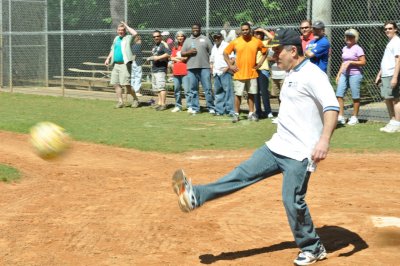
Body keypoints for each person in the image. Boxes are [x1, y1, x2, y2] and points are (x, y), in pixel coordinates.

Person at [172, 28, 339, 266]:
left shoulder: (313, 75)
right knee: (241, 174)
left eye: (279, 51)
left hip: (300, 153)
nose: (275, 55)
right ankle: (197, 195)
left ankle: (313, 247)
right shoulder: (291, 72)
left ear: (293, 50)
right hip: (277, 146)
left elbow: (331, 107)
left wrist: (324, 141)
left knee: (292, 200)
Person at [223, 22, 267, 123]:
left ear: (250, 30)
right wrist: (230, 66)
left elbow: (265, 52)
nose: (245, 31)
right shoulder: (236, 42)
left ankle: (251, 113)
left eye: (247, 29)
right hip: (239, 73)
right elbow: (225, 53)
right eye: (243, 30)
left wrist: (259, 64)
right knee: (238, 95)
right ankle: (236, 114)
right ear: (241, 31)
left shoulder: (256, 41)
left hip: (252, 73)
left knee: (251, 94)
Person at [181, 23, 215, 115]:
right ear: (191, 29)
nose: (195, 30)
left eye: (197, 28)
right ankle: (196, 108)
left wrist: (212, 64)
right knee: (193, 89)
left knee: (207, 89)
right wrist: (189, 52)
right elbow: (182, 53)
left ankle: (211, 107)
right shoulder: (187, 40)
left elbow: (212, 52)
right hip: (191, 68)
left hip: (205, 67)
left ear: (200, 29)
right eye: (193, 28)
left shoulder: (205, 39)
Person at [105, 21, 140, 108]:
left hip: (125, 64)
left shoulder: (128, 37)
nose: (120, 31)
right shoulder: (116, 39)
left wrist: (127, 26)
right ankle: (120, 102)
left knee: (127, 85)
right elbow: (112, 50)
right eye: (119, 30)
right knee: (115, 83)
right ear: (117, 31)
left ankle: (135, 99)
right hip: (116, 65)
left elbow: (135, 33)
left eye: (122, 30)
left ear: (125, 31)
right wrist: (108, 58)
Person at [335, 29, 366, 126]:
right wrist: (339, 73)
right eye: (347, 36)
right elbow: (343, 62)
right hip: (344, 74)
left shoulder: (358, 48)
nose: (348, 38)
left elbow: (363, 62)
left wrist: (351, 62)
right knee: (339, 94)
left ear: (355, 38)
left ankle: (354, 117)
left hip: (355, 74)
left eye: (351, 37)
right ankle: (341, 116)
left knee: (355, 96)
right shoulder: (344, 48)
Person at [375, 21, 400, 133]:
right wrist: (379, 73)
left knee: (395, 99)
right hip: (385, 74)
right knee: (387, 98)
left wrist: (395, 77)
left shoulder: (397, 42)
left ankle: (397, 124)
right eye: (385, 29)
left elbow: (398, 60)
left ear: (395, 29)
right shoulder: (390, 42)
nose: (387, 31)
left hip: (391, 74)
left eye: (390, 28)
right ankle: (392, 121)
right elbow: (387, 60)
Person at [210, 32, 235, 116]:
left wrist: (227, 68)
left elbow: (232, 59)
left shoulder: (227, 45)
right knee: (218, 92)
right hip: (216, 72)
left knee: (228, 91)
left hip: (225, 71)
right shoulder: (214, 47)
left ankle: (230, 110)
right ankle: (219, 110)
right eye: (215, 37)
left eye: (218, 37)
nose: (216, 39)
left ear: (222, 37)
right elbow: (212, 60)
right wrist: (212, 69)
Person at [147, 30, 171, 111]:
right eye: (154, 37)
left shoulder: (163, 44)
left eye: (157, 36)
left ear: (160, 36)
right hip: (154, 68)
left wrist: (158, 58)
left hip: (161, 69)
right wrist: (151, 58)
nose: (156, 38)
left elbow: (168, 54)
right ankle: (159, 103)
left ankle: (163, 104)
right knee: (157, 88)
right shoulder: (155, 46)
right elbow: (155, 55)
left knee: (161, 87)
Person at [254, 27, 274, 119]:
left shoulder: (264, 43)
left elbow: (272, 38)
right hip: (254, 70)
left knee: (264, 91)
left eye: (260, 33)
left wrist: (263, 30)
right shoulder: (251, 43)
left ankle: (268, 111)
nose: (258, 35)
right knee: (255, 92)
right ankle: (258, 111)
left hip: (263, 69)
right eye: (256, 33)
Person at [170, 31, 189, 113]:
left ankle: (190, 106)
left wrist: (177, 59)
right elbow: (171, 58)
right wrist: (179, 58)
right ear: (176, 38)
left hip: (185, 71)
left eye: (182, 36)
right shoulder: (175, 47)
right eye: (178, 36)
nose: (180, 38)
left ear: (184, 37)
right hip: (176, 71)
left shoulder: (187, 46)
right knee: (177, 90)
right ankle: (178, 106)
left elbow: (186, 59)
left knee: (187, 90)